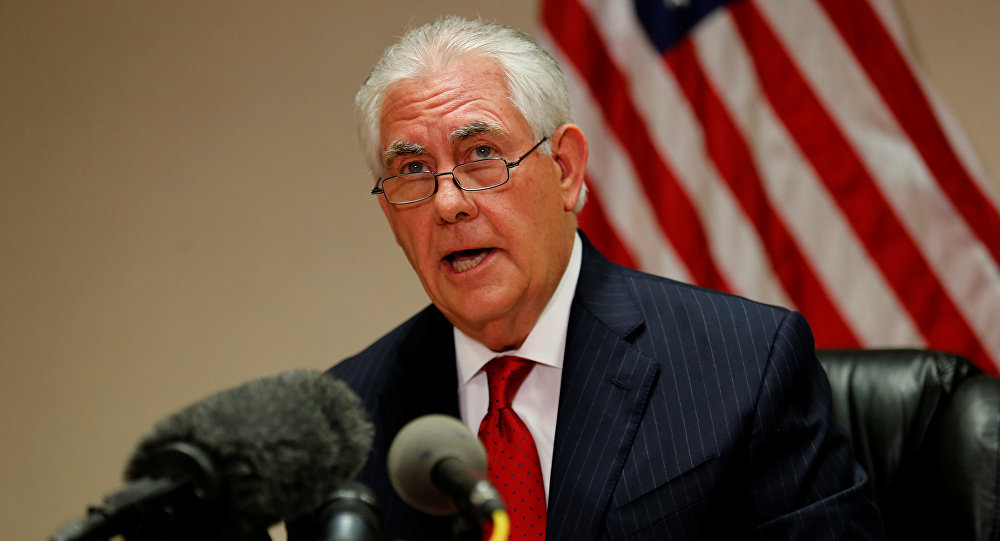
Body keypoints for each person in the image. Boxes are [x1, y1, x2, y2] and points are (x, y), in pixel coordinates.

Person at [314, 15, 884, 541]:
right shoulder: (343, 422)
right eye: (413, 170)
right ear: (388, 212)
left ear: (565, 169)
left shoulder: (745, 365)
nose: (447, 203)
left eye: (481, 153)